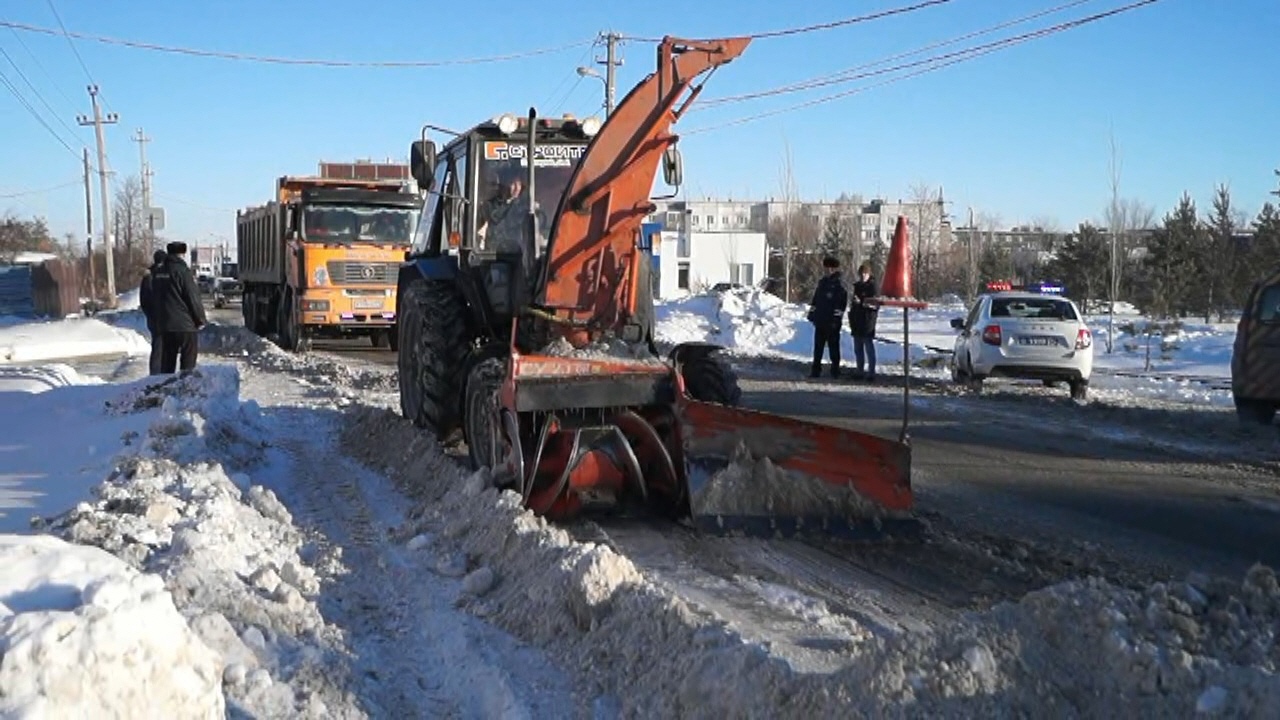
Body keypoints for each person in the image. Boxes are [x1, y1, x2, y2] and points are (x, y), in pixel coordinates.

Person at [150, 241, 208, 373]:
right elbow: (192, 297)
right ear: (182, 254)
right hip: (185, 325)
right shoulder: (183, 272)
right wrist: (200, 319)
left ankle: (166, 387)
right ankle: (185, 388)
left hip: (165, 325)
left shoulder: (158, 273)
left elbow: (155, 298)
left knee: (167, 362)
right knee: (188, 361)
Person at [806, 256, 848, 378]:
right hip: (820, 320)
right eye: (826, 268)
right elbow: (816, 300)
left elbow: (841, 304)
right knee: (818, 347)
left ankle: (835, 370)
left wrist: (836, 319)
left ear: (835, 269)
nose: (828, 270)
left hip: (832, 322)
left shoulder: (840, 285)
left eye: (830, 268)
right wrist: (812, 315)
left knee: (833, 347)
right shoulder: (822, 283)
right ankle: (816, 370)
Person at [138, 249, 168, 375]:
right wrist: (154, 314)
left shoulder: (152, 276)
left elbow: (143, 301)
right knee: (159, 347)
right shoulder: (152, 277)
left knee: (161, 347)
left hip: (156, 318)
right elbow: (146, 301)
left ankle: (160, 373)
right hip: (158, 318)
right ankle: (156, 375)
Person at [849, 262, 880, 381]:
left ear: (869, 274)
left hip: (867, 320)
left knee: (868, 347)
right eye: (861, 274)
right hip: (857, 319)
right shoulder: (857, 286)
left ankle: (871, 372)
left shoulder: (873, 287)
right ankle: (859, 370)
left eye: (865, 274)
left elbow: (874, 305)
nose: (863, 276)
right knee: (858, 348)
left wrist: (861, 302)